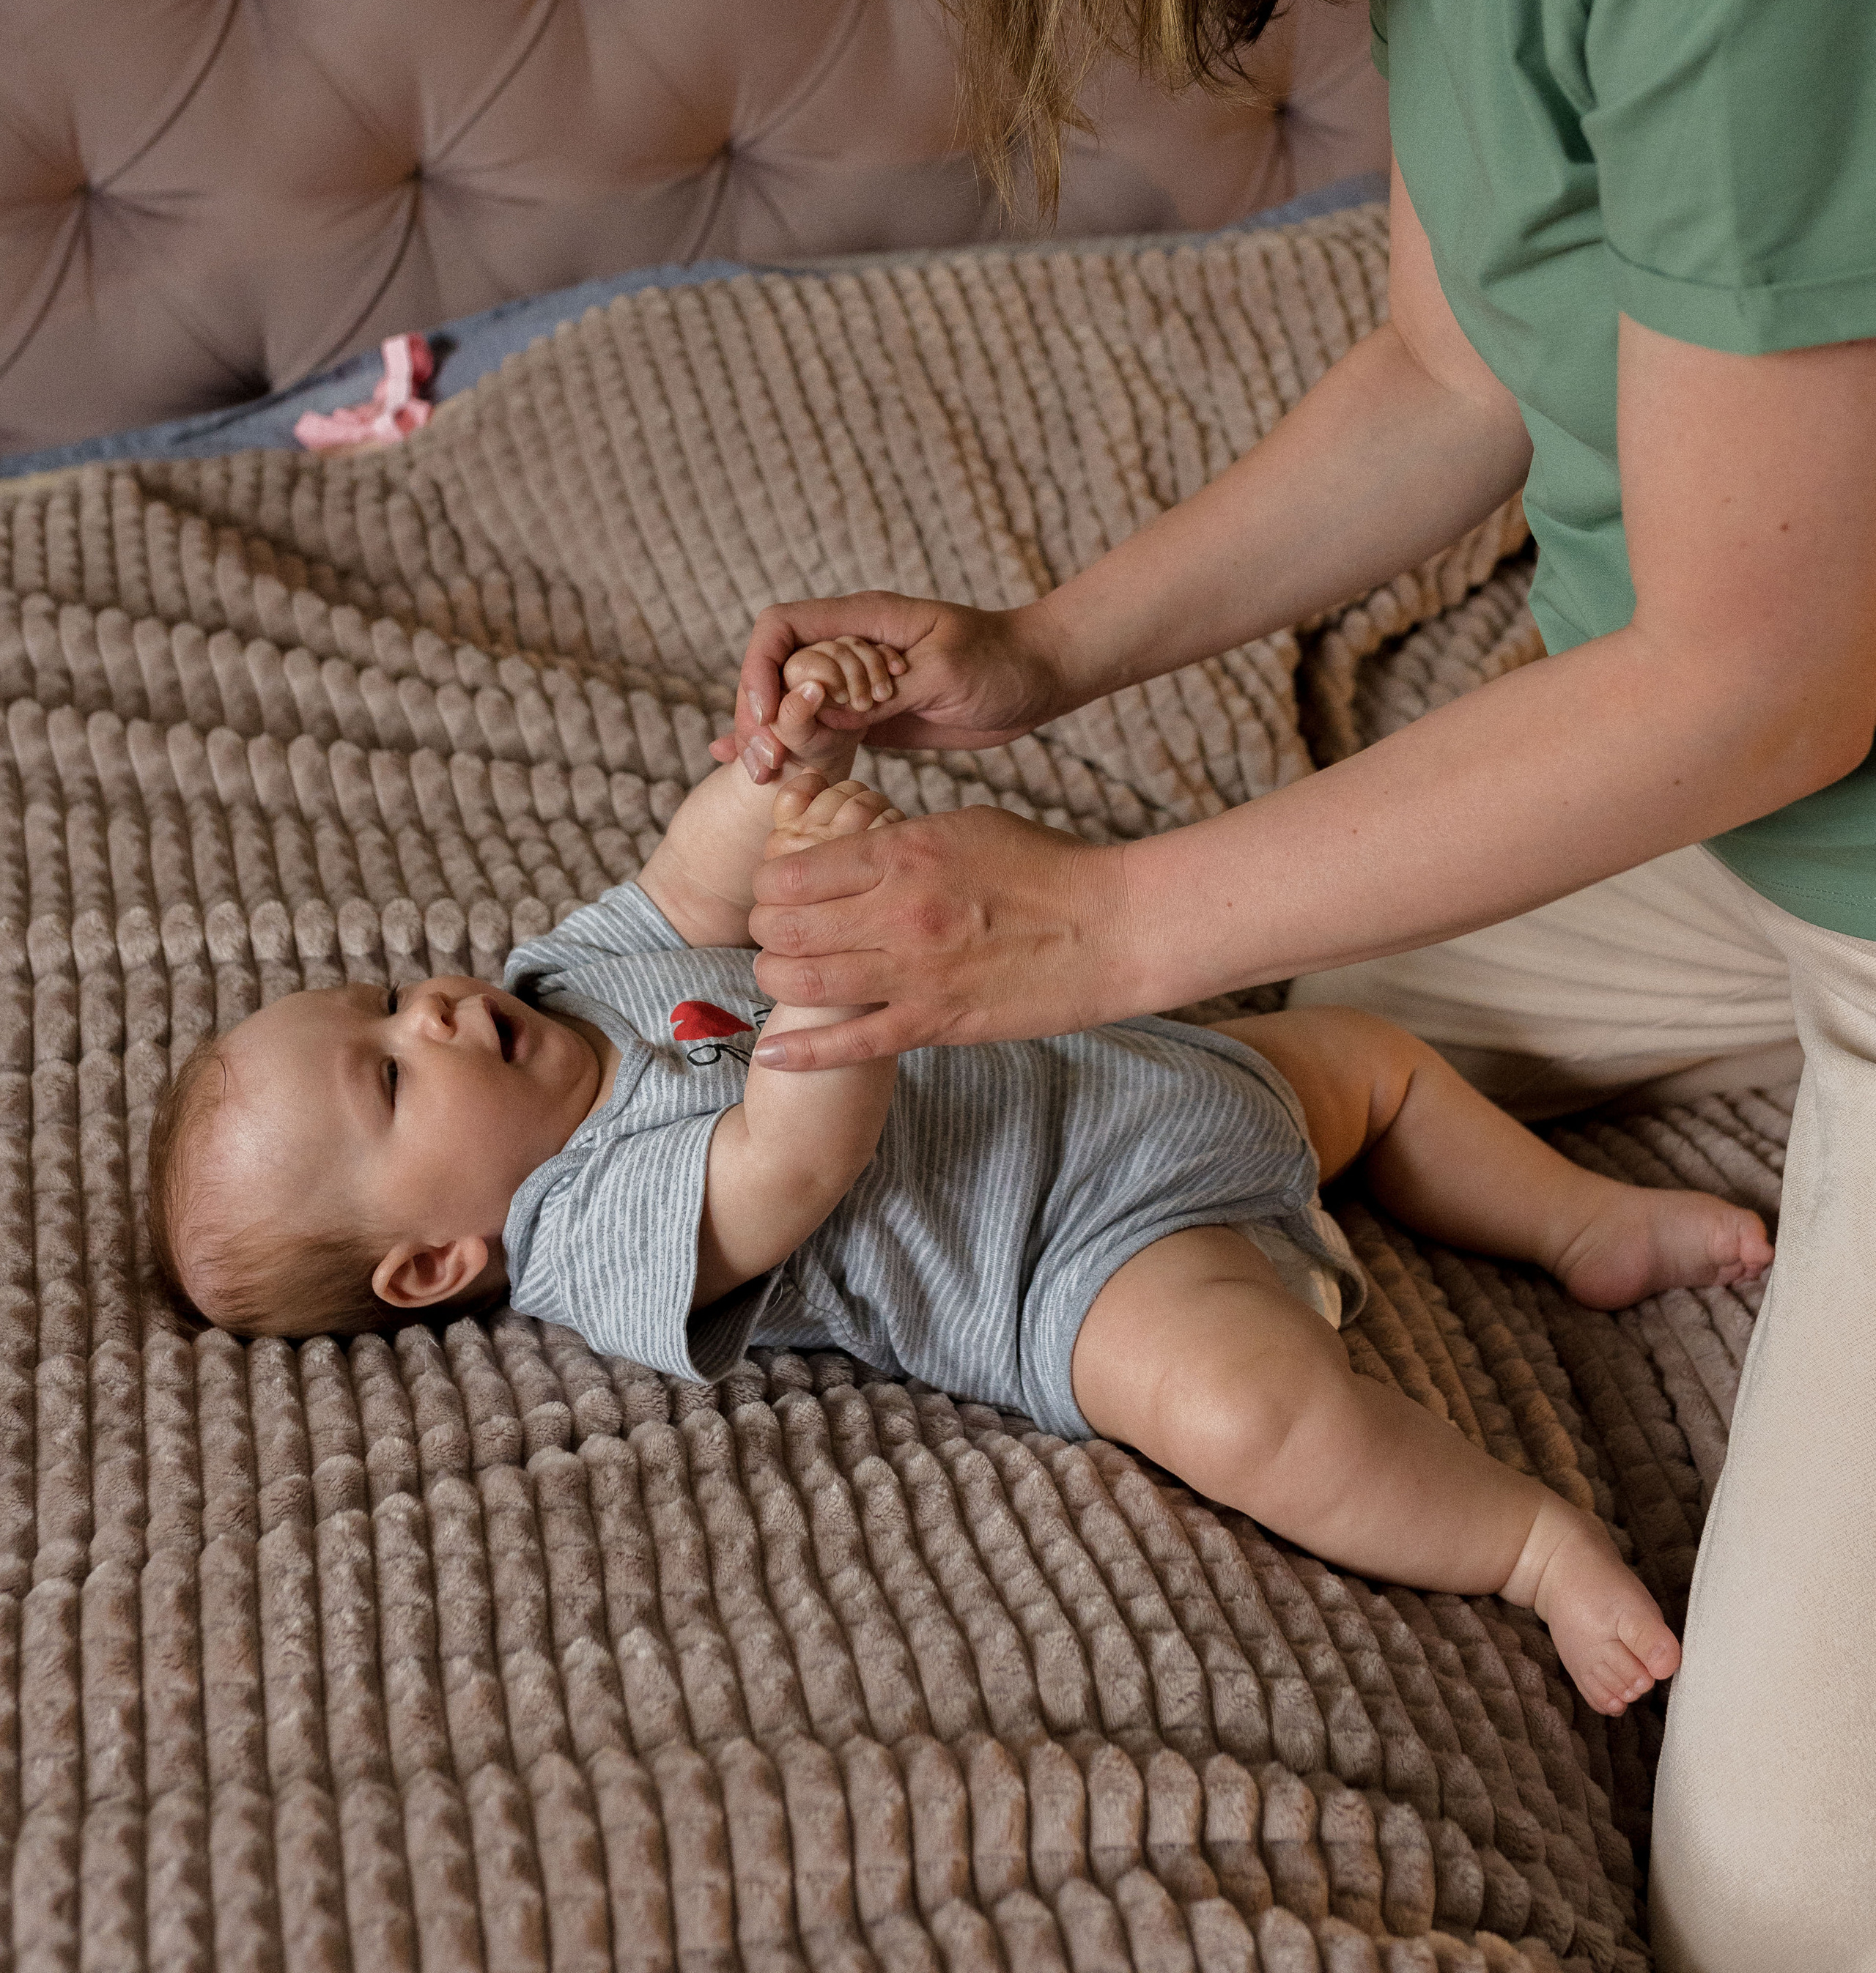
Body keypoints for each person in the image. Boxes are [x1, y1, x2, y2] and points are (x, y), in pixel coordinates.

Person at [709, 0, 1876, 1969]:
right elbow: (1459, 367)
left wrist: (1095, 919)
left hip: (1796, 769)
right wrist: (1043, 653)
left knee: (1781, 1886)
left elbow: (1765, 661)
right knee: (1112, 1100)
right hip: (1741, 803)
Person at [144, 640, 1773, 1720]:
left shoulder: (569, 979)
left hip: (1124, 1069)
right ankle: (1524, 1548)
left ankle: (1581, 1221)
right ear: (432, 1264)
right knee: (1239, 1417)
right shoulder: (585, 1232)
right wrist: (828, 975)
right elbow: (795, 1160)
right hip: (1076, 1260)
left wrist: (778, 779)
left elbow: (685, 875)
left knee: (1370, 1058)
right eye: (384, 1075)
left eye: (377, 1000)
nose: (423, 1012)